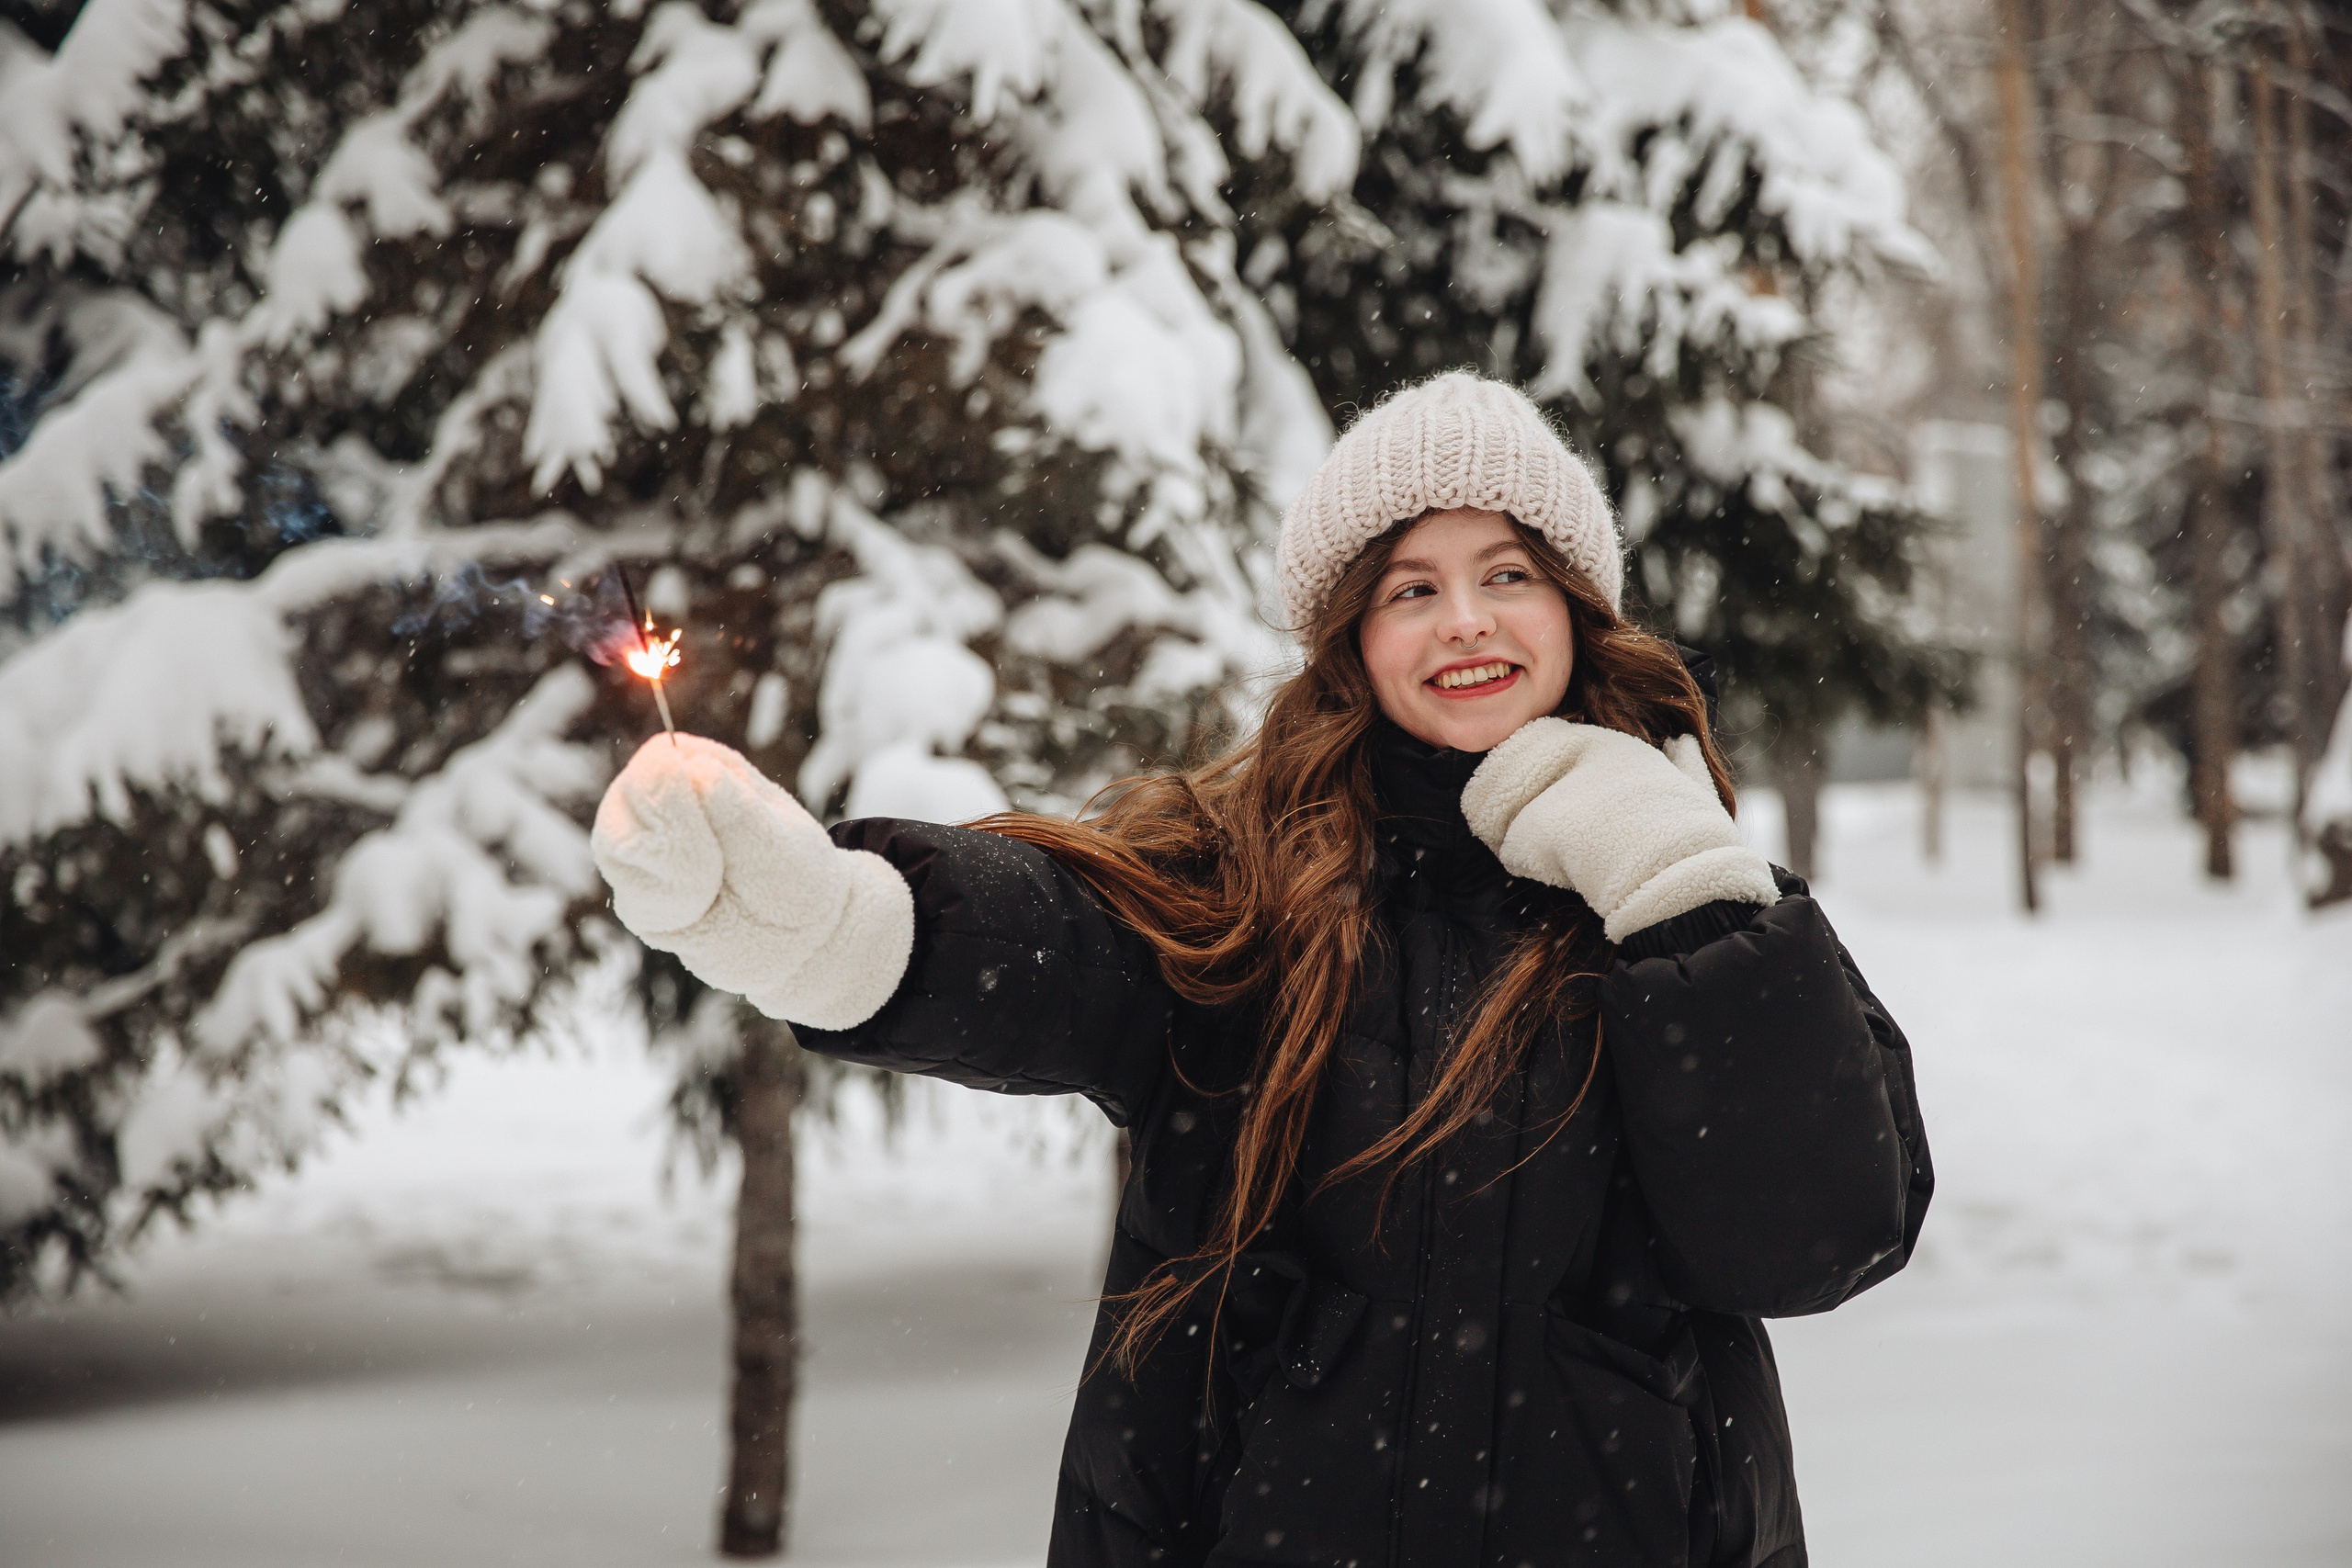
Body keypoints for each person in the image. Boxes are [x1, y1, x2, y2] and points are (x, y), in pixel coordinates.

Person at [590, 370, 1932, 1568]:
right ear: (1350, 636)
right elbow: (1056, 941)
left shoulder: (1700, 902)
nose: (1467, 620)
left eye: (1509, 573)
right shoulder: (1243, 892)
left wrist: (1679, 891)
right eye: (1412, 587)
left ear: (1577, 608)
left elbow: (1819, 1237)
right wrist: (845, 922)